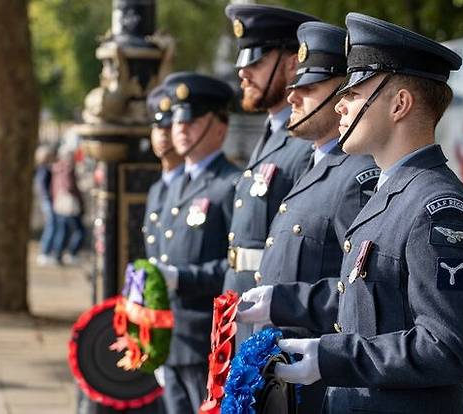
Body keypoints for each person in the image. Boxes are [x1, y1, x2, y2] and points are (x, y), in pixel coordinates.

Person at [240, 13, 463, 413]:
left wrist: (333, 357)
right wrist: (282, 301)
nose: (340, 104)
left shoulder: (437, 208)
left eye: (354, 92)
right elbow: (362, 300)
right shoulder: (390, 191)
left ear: (400, 104)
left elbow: (452, 347)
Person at [252, 21, 379, 412]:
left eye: (309, 89)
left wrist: (284, 302)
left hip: (320, 378)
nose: (293, 98)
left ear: (342, 95)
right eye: (294, 87)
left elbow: (362, 293)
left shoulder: (356, 175)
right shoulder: (312, 165)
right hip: (286, 371)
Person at [222, 3, 317, 344]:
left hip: (275, 322)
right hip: (243, 312)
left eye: (256, 62)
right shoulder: (271, 134)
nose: (243, 73)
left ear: (293, 63)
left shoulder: (307, 143)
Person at [155, 72, 240, 414]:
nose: (181, 128)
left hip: (208, 341)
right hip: (171, 338)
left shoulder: (230, 184)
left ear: (220, 127)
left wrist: (181, 277)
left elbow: (236, 266)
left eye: (192, 121)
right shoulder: (175, 185)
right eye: (177, 121)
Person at [143, 77, 184, 267]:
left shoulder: (191, 184)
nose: (162, 135)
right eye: (158, 127)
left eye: (169, 128)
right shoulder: (157, 189)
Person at [52, 146, 85, 265]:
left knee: (63, 230)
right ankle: (71, 252)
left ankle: (58, 254)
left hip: (60, 204)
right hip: (69, 205)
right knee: (79, 231)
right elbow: (70, 186)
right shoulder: (67, 169)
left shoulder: (57, 168)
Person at [35, 145, 58, 265]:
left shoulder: (44, 169)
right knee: (51, 225)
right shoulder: (43, 169)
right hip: (47, 201)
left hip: (47, 200)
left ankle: (47, 252)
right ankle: (44, 252)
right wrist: (48, 199)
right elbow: (42, 187)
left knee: (52, 225)